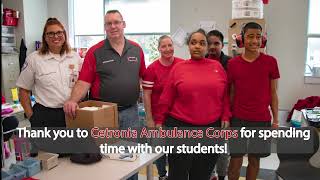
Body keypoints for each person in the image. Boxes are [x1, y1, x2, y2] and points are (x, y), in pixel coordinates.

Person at [63, 10, 145, 180]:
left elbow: (144, 78)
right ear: (105, 27)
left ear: (124, 24)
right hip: (104, 114)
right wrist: (72, 100)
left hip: (131, 112)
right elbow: (84, 81)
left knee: (130, 156)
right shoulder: (95, 51)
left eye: (116, 22)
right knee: (106, 159)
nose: (113, 26)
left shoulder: (136, 49)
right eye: (109, 23)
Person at [156, 29, 231, 180]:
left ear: (207, 47)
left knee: (202, 173)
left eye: (202, 43)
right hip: (180, 128)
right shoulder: (179, 68)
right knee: (178, 173)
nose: (197, 46)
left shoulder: (218, 68)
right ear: (188, 46)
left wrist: (225, 116)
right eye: (193, 42)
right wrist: (159, 121)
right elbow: (166, 98)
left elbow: (225, 96)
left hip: (211, 129)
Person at [227, 22, 280, 180]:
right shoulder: (233, 63)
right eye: (250, 36)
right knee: (235, 161)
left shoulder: (271, 62)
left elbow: (273, 93)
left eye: (258, 37)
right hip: (238, 119)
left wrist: (276, 121)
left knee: (254, 160)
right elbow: (231, 93)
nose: (254, 41)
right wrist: (227, 117)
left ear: (262, 39)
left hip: (261, 119)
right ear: (242, 38)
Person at [16, 17, 83, 128]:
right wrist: (32, 117)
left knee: (72, 145)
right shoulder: (34, 59)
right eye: (50, 34)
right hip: (46, 116)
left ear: (64, 35)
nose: (55, 36)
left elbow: (82, 83)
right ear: (45, 38)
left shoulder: (75, 57)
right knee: (46, 146)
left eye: (59, 32)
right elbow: (23, 90)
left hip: (73, 112)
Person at [142, 35, 184, 180]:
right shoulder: (152, 69)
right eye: (164, 46)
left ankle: (174, 175)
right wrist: (149, 119)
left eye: (170, 45)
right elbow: (146, 95)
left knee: (176, 151)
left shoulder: (182, 65)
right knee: (159, 150)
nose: (168, 49)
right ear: (159, 48)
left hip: (177, 117)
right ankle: (162, 175)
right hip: (157, 117)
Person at [206, 30, 231, 180]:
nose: (213, 47)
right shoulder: (200, 61)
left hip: (224, 115)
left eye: (217, 43)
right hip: (206, 114)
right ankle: (210, 175)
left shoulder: (230, 63)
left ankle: (221, 176)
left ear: (222, 45)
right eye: (209, 43)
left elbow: (231, 91)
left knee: (222, 150)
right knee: (207, 150)